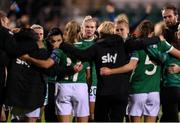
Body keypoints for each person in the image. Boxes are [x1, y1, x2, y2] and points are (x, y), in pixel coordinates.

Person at [59, 21, 161, 122]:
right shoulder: (125, 45)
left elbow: (81, 54)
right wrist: (156, 39)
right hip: (121, 92)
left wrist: (63, 45)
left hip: (103, 93)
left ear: (101, 33)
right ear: (113, 32)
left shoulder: (97, 47)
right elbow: (142, 43)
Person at [100, 20, 180, 122]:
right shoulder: (162, 44)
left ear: (140, 31)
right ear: (152, 32)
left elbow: (131, 66)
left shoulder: (136, 46)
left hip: (137, 90)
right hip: (154, 91)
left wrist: (110, 71)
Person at [79, 15, 98, 122]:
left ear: (95, 29)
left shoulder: (98, 43)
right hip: (80, 82)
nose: (89, 29)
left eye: (92, 27)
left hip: (95, 81)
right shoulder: (77, 43)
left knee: (92, 115)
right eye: (87, 27)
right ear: (82, 28)